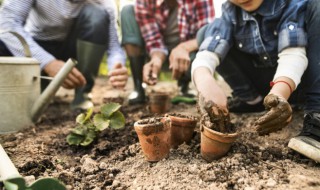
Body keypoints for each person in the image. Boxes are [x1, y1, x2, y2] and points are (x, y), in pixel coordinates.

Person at [193, 0, 320, 162]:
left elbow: (293, 55)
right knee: (205, 33)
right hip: (266, 88)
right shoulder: (230, 12)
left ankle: (317, 115)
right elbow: (207, 53)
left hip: (301, 82)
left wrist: (279, 92)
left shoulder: (289, 5)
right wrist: (204, 80)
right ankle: (252, 100)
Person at [0, 0, 128, 110]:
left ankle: (82, 95)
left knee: (97, 14)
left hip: (73, 51)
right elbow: (6, 24)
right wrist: (47, 63)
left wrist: (117, 66)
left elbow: (114, 46)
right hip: (38, 48)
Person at [120, 0, 215, 105]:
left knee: (204, 48)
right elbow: (154, 41)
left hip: (188, 57)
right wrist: (156, 59)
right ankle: (138, 87)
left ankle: (184, 85)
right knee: (127, 11)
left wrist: (184, 48)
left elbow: (208, 34)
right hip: (156, 55)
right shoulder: (144, 2)